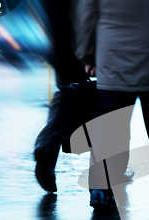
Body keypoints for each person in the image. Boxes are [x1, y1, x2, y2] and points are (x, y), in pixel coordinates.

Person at [76, 0, 149, 209]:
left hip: (110, 51)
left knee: (109, 121)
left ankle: (100, 187)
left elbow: (86, 10)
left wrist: (87, 52)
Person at [33, 0, 134, 193]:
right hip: (92, 41)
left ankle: (47, 144)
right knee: (115, 100)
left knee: (70, 95)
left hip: (61, 43)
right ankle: (113, 169)